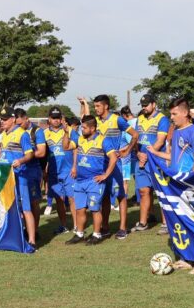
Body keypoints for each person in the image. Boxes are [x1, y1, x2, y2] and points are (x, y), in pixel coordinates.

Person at [147, 97, 194, 273]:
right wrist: (156, 153)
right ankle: (187, 258)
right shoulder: (176, 132)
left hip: (189, 185)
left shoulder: (193, 132)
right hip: (176, 184)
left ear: (185, 113)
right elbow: (174, 157)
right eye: (170, 113)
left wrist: (193, 183)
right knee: (181, 221)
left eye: (174, 113)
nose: (171, 117)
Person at [82, 95, 137, 239]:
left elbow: (135, 134)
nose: (96, 109)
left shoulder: (117, 119)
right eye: (94, 106)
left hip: (115, 165)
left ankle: (123, 228)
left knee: (121, 196)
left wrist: (128, 150)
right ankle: (105, 227)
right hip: (101, 166)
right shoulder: (96, 122)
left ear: (106, 106)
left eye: (98, 106)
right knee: (105, 196)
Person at [66, 115, 118, 246]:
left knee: (95, 209)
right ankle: (80, 234)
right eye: (81, 127)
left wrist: (105, 175)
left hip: (95, 182)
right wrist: (66, 133)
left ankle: (97, 234)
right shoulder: (80, 139)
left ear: (93, 128)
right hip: (79, 181)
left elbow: (113, 157)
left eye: (84, 127)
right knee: (80, 209)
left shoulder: (103, 140)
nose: (81, 129)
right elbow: (66, 146)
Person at [0, 110, 38, 246]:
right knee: (9, 208)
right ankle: (13, 236)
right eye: (1, 119)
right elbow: (4, 155)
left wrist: (20, 161)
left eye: (5, 119)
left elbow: (30, 154)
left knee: (26, 208)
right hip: (6, 178)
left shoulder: (22, 134)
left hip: (20, 177)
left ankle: (32, 240)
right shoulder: (3, 135)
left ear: (13, 119)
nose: (2, 122)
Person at [132, 94, 170, 232]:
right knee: (143, 191)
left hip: (156, 160)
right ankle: (143, 222)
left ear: (154, 104)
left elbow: (160, 141)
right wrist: (137, 153)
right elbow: (136, 138)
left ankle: (166, 223)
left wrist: (147, 155)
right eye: (142, 105)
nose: (144, 108)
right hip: (141, 160)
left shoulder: (162, 119)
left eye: (146, 105)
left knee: (161, 192)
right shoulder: (140, 119)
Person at [40, 107, 78, 235]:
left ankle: (77, 225)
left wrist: (74, 166)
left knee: (72, 198)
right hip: (53, 173)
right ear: (49, 119)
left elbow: (77, 149)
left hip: (69, 171)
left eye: (58, 118)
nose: (56, 120)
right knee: (59, 200)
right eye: (53, 118)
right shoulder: (44, 133)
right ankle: (63, 226)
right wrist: (44, 169)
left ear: (61, 119)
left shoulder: (70, 131)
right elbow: (43, 154)